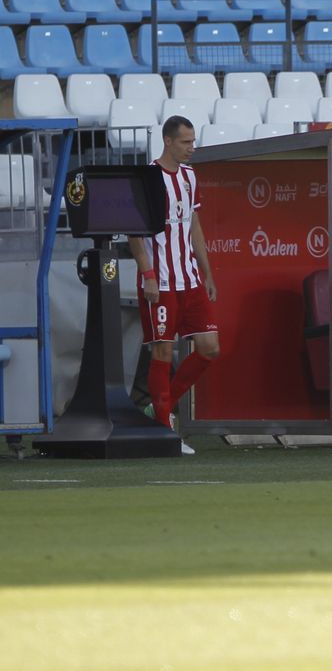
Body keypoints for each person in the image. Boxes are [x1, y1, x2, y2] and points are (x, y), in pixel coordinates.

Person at [130, 116, 219, 457]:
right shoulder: (149, 178)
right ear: (168, 141)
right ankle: (165, 432)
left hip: (190, 279)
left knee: (210, 347)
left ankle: (159, 409)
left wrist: (207, 273)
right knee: (163, 352)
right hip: (162, 280)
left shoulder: (190, 177)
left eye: (193, 142)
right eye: (186, 142)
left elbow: (194, 226)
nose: (191, 148)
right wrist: (148, 274)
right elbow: (135, 233)